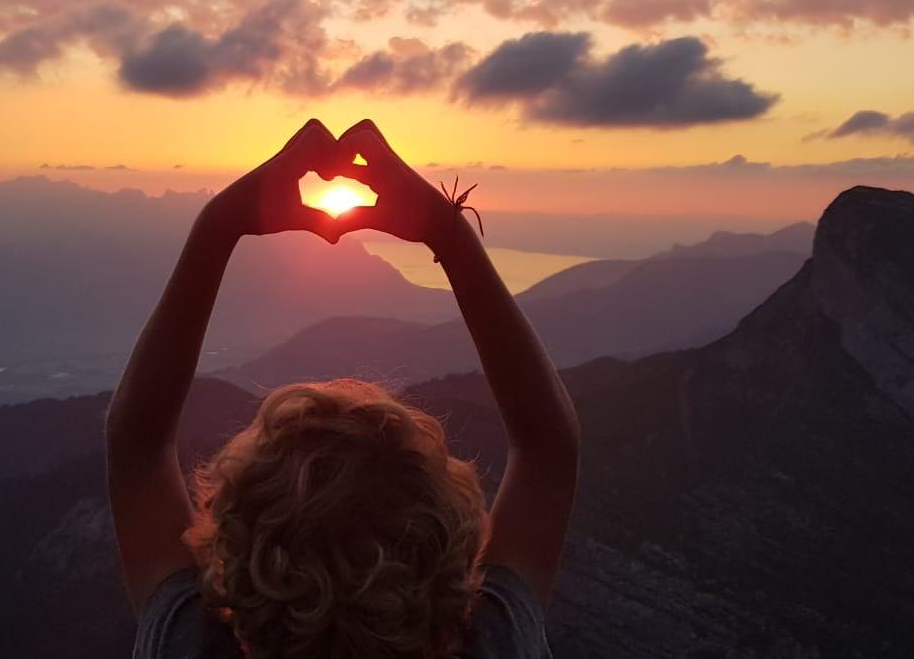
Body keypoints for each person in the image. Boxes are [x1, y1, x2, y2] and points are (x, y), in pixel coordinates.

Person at [106, 119, 581, 658]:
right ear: (447, 556)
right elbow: (548, 447)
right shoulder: (494, 644)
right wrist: (447, 233)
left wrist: (220, 224)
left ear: (233, 559)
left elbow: (137, 445)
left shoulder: (189, 647)